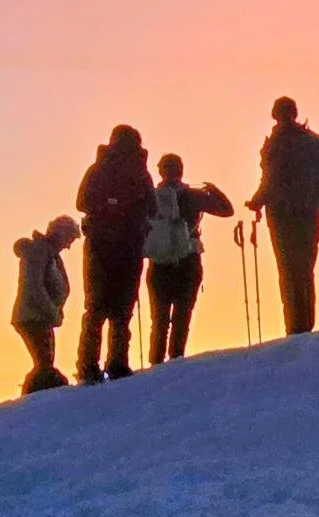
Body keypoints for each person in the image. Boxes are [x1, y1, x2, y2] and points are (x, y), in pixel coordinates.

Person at [245, 96, 319, 335]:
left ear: (276, 114)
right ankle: (306, 324)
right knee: (306, 269)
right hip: (309, 212)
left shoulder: (277, 143)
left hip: (283, 215)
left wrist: (257, 201)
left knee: (288, 270)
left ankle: (295, 327)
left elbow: (271, 179)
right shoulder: (313, 143)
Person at [76, 125, 155, 383]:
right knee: (119, 308)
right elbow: (151, 208)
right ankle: (115, 363)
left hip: (104, 245)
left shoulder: (100, 169)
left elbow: (83, 201)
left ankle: (90, 366)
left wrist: (110, 208)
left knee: (99, 307)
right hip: (126, 246)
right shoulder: (139, 173)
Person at [146, 154, 234, 364]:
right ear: (181, 170)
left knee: (159, 318)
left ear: (161, 171)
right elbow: (227, 211)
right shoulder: (194, 196)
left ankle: (155, 362)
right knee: (182, 316)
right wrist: (214, 190)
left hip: (159, 262)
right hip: (188, 258)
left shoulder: (151, 198)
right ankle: (176, 359)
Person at [12, 216, 80, 393]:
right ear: (60, 234)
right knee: (44, 366)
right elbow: (33, 286)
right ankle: (34, 397)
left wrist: (55, 312)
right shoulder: (40, 251)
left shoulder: (50, 254)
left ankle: (34, 396)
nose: (69, 245)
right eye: (69, 238)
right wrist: (52, 312)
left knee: (44, 365)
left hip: (41, 317)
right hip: (32, 317)